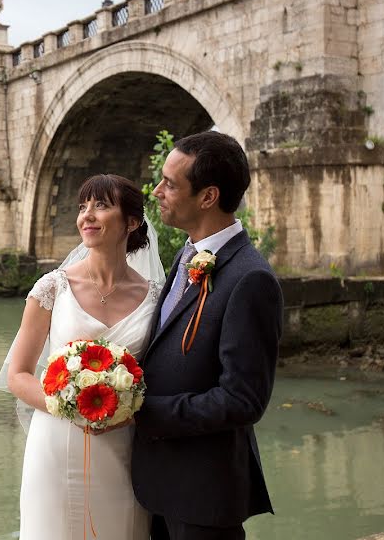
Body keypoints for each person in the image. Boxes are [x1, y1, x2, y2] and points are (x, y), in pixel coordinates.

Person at [0, 174, 165, 540]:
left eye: (101, 206)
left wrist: (127, 410)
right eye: (82, 207)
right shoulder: (52, 287)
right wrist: (69, 406)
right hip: (55, 440)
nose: (87, 216)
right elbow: (18, 374)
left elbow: (162, 376)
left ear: (132, 222)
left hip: (124, 444)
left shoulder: (156, 298)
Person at [132, 131, 283, 540]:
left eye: (170, 183)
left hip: (203, 491)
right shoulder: (187, 252)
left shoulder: (250, 278)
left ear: (208, 197)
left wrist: (145, 412)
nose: (157, 191)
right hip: (159, 483)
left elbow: (243, 400)